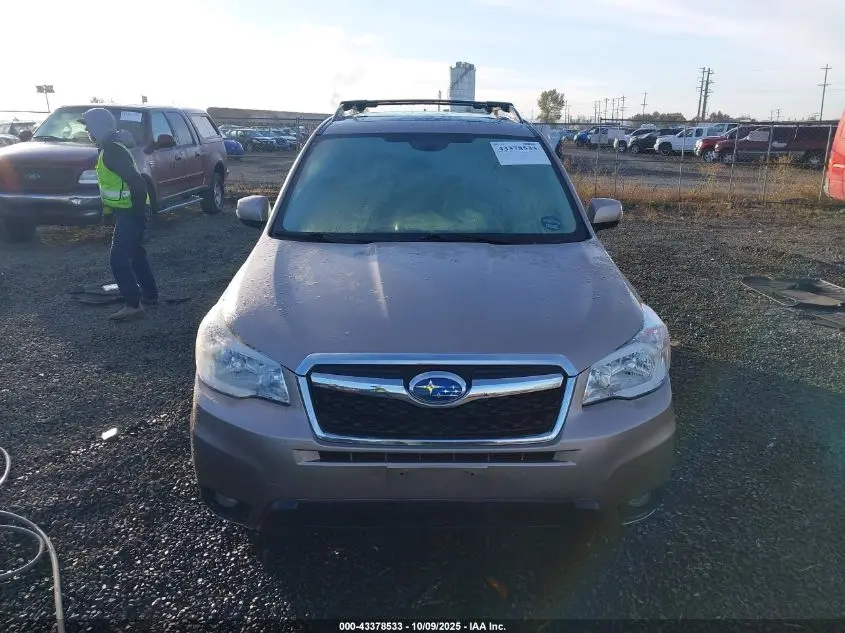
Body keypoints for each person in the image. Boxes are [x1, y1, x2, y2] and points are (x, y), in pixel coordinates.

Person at [82, 108, 158, 321]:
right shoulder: (110, 149)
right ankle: (150, 296)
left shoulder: (112, 151)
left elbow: (136, 181)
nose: (87, 131)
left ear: (98, 127)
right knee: (136, 255)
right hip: (127, 211)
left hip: (131, 212)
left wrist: (137, 213)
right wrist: (108, 212)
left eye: (88, 126)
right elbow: (111, 187)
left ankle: (134, 305)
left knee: (119, 260)